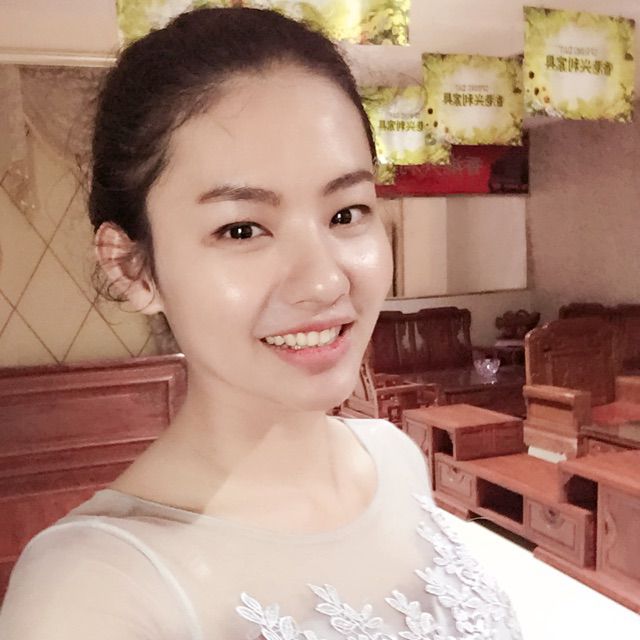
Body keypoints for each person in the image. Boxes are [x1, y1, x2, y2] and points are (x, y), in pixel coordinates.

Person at [0, 7, 521, 639]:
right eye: (242, 229)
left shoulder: (395, 457)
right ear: (133, 269)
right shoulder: (91, 594)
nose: (325, 282)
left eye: (346, 213)